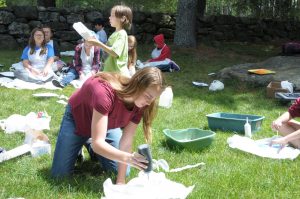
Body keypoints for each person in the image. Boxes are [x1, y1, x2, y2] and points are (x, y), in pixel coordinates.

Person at [51, 67, 166, 184]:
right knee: (60, 176)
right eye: (148, 96)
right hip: (78, 119)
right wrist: (128, 158)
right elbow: (98, 144)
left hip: (106, 125)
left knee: (123, 171)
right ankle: (81, 143)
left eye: (153, 99)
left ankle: (90, 142)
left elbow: (126, 142)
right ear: (137, 85)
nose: (149, 103)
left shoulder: (142, 104)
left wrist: (120, 181)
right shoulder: (104, 93)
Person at [88, 5, 132, 77]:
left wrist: (98, 43)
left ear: (123, 19)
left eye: (112, 15)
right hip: (110, 73)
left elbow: (114, 53)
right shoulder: (115, 33)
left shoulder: (121, 34)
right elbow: (108, 50)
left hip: (117, 75)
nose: (109, 17)